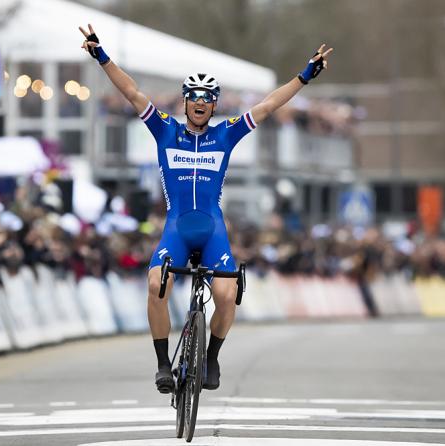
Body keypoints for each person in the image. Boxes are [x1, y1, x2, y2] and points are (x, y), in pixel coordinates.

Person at [79, 24, 333, 392]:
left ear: (214, 104)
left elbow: (267, 106)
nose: (200, 102)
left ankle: (212, 356)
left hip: (212, 229)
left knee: (227, 295)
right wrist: (101, 56)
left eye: (207, 97)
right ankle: (164, 365)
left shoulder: (225, 133)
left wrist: (305, 76)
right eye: (194, 96)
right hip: (177, 227)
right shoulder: (165, 130)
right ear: (185, 101)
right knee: (156, 284)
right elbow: (132, 92)